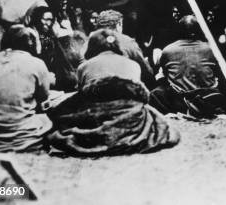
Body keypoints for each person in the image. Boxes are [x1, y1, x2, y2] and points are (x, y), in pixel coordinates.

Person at [47, 29, 180, 156]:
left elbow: (82, 96)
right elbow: (140, 98)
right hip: (130, 117)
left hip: (96, 117)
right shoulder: (133, 64)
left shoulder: (84, 67)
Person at [0, 25, 52, 152]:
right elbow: (44, 97)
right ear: (29, 43)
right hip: (21, 134)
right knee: (45, 118)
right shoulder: (36, 63)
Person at [149, 16, 226, 117]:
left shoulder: (168, 50)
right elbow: (218, 73)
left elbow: (164, 74)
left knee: (156, 92)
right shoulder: (210, 49)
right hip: (209, 98)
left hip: (181, 101)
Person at [95, 9, 156, 89]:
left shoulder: (88, 44)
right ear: (119, 24)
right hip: (126, 91)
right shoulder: (127, 42)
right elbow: (146, 72)